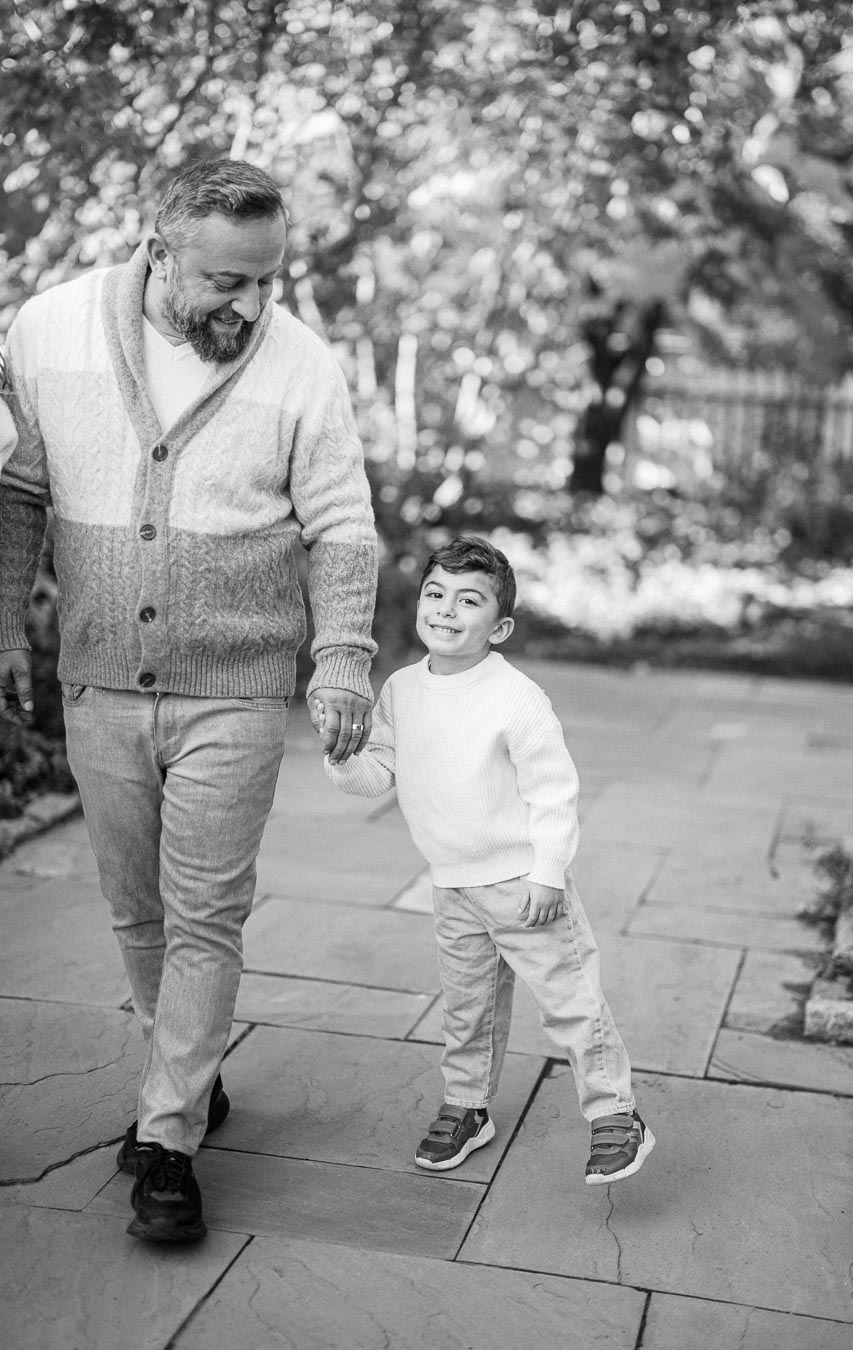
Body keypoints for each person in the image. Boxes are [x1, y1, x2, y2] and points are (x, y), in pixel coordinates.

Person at [0, 159, 378, 1243]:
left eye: (268, 280)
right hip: (99, 673)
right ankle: (192, 1070)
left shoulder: (301, 361)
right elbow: (19, 492)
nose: (252, 306)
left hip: (241, 686)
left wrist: (341, 657)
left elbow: (343, 524)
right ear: (157, 247)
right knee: (135, 909)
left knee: (207, 914)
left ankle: (167, 1141)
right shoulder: (50, 329)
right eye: (228, 281)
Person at [317, 535, 654, 1185]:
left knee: (570, 1001)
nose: (446, 609)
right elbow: (377, 770)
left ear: (497, 627)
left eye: (467, 600)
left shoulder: (515, 697)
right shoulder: (402, 690)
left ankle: (617, 1112)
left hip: (523, 885)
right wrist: (340, 757)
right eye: (435, 593)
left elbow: (554, 791)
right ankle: (468, 1106)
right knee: (467, 1006)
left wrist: (548, 872)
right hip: (452, 888)